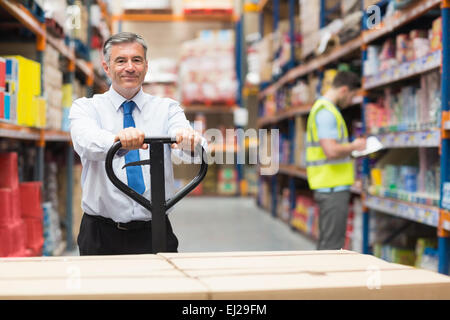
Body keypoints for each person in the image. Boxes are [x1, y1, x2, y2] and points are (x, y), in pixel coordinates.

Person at [69, 32, 204, 255]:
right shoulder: (86, 108)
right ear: (106, 67)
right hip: (100, 233)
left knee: (160, 289)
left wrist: (189, 141)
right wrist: (117, 142)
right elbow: (85, 142)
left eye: (136, 60)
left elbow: (194, 145)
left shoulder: (167, 109)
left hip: (155, 229)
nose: (130, 67)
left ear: (146, 66)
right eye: (121, 60)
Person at [305, 71, 366, 250]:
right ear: (344, 90)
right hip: (331, 188)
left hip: (330, 185)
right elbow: (330, 150)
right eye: (352, 95)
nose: (351, 100)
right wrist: (355, 146)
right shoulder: (326, 113)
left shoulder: (325, 109)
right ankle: (327, 278)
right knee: (331, 246)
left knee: (327, 243)